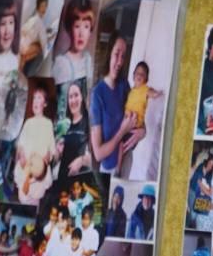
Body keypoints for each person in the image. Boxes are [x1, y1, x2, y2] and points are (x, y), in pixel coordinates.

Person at [90, 36, 137, 173]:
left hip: (127, 157)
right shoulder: (97, 95)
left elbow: (137, 113)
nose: (120, 61)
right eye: (117, 54)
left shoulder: (124, 85)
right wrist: (122, 131)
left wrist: (142, 131)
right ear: (109, 53)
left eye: (123, 56)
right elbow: (98, 154)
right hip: (110, 168)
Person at [14, 87, 57, 205]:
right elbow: (20, 145)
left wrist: (46, 160)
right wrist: (21, 156)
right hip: (26, 168)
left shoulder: (48, 124)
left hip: (39, 172)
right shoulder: (28, 122)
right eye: (33, 98)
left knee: (36, 198)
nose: (35, 101)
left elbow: (51, 149)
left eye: (39, 98)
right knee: (23, 197)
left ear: (45, 104)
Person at [118, 61, 162, 172]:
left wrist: (159, 93)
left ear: (146, 79)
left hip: (134, 128)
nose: (139, 75)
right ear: (133, 75)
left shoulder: (144, 89)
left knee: (122, 146)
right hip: (127, 127)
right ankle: (118, 169)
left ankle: (118, 170)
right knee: (121, 147)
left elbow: (152, 93)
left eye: (142, 74)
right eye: (137, 73)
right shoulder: (131, 91)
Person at [52, 0, 94, 85]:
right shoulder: (62, 63)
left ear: (90, 30)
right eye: (77, 26)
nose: (81, 33)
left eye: (86, 27)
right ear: (69, 28)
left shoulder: (88, 59)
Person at [57, 80, 91, 180]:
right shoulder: (65, 124)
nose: (73, 100)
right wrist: (58, 152)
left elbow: (96, 157)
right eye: (70, 97)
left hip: (80, 181)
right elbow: (59, 154)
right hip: (62, 179)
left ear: (82, 97)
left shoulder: (88, 122)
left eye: (76, 95)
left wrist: (81, 161)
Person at [19, 0, 50, 76]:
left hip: (22, 48)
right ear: (40, 6)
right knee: (41, 51)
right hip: (24, 51)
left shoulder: (32, 19)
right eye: (44, 6)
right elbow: (45, 47)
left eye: (46, 6)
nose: (45, 9)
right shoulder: (38, 22)